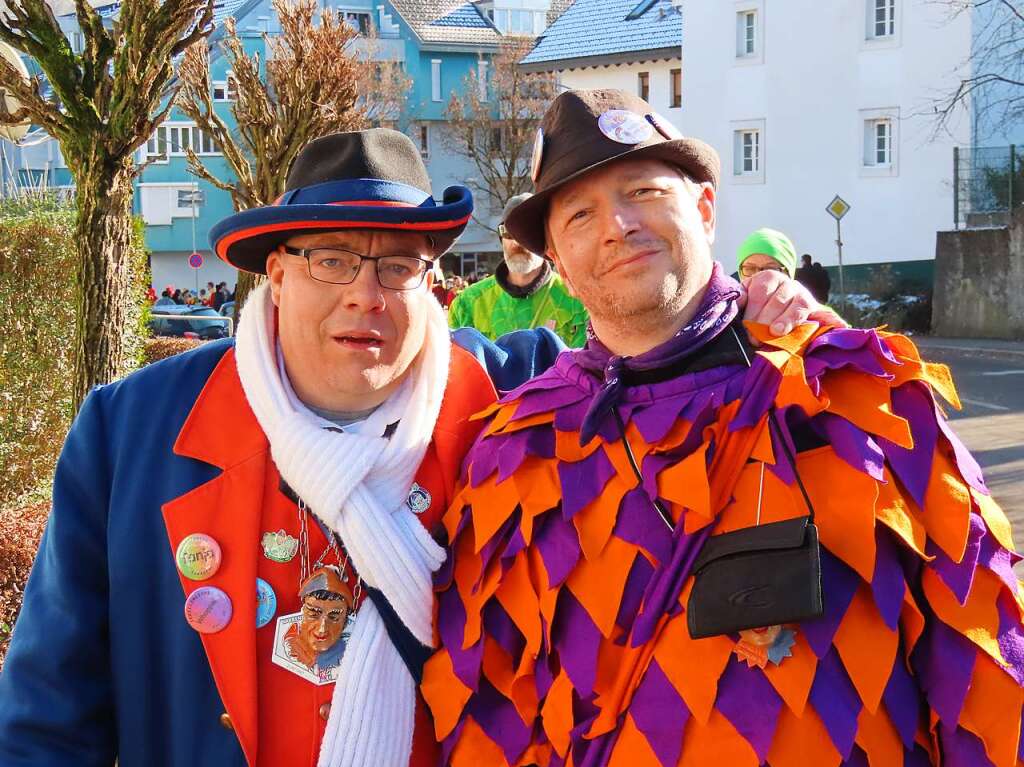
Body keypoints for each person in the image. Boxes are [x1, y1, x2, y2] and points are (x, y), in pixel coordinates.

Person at [0, 125, 825, 767]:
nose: (366, 293)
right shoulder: (130, 434)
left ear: (430, 280)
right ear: (275, 274)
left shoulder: (517, 401)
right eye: (331, 259)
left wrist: (749, 309)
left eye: (398, 265)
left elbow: (662, 361)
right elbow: (47, 719)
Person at [423, 89, 1024, 766]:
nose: (617, 225)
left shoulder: (860, 397)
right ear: (559, 261)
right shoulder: (514, 453)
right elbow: (490, 715)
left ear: (705, 209)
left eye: (643, 190)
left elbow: (986, 663)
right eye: (580, 215)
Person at [448, 193, 588, 346]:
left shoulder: (577, 301)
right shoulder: (467, 304)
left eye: (526, 233)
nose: (516, 242)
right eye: (508, 233)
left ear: (546, 240)